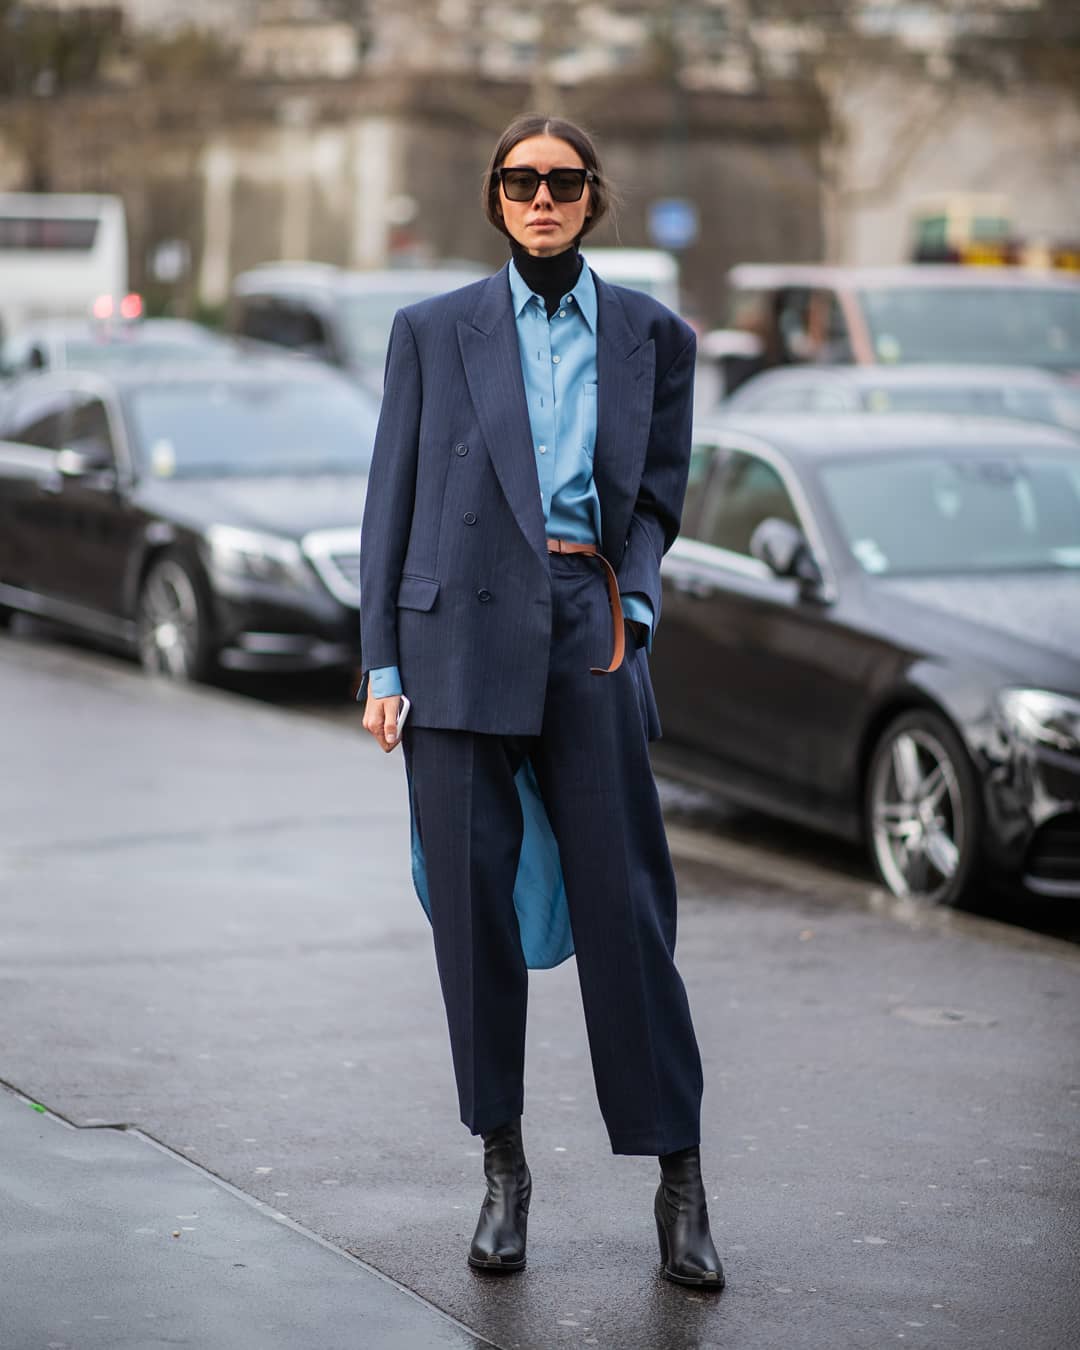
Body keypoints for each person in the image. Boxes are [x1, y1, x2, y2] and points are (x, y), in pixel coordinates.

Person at [359, 113, 723, 1289]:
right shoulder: (432, 332)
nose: (541, 197)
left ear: (591, 195)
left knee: (628, 911)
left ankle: (680, 1182)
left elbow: (659, 502)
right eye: (520, 181)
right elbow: (389, 501)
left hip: (587, 628)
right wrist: (381, 663)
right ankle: (503, 1170)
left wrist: (640, 611)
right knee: (473, 921)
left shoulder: (654, 337)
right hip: (453, 632)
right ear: (496, 197)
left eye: (561, 181)